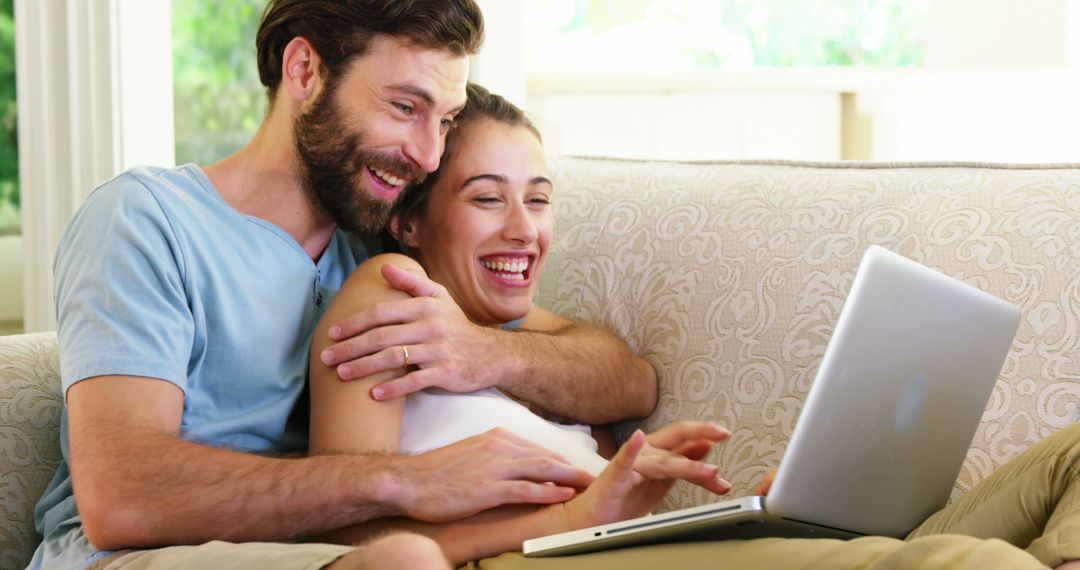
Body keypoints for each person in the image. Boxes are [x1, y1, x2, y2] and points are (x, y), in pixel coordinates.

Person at [31, 2, 660, 569]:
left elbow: (626, 381)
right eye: (405, 108)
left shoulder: (380, 243)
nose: (428, 156)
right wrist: (406, 480)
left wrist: (487, 350)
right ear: (304, 70)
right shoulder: (146, 220)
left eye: (444, 121)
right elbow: (124, 496)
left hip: (311, 553)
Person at [307, 83, 734, 565]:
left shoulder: (530, 349)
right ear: (408, 223)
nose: (525, 231)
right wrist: (569, 519)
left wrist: (486, 354)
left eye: (537, 200)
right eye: (488, 198)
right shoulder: (394, 290)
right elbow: (345, 531)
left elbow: (635, 382)